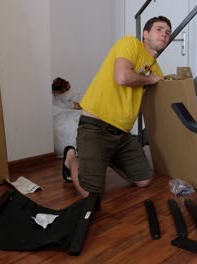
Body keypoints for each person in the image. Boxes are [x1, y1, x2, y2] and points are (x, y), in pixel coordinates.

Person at [62, 16, 172, 198]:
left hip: (121, 134)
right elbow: (122, 77)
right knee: (91, 195)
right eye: (159, 29)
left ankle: (108, 156)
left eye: (167, 33)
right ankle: (71, 157)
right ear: (145, 33)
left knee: (144, 180)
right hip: (95, 126)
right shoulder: (130, 44)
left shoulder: (157, 70)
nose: (164, 34)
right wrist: (150, 79)